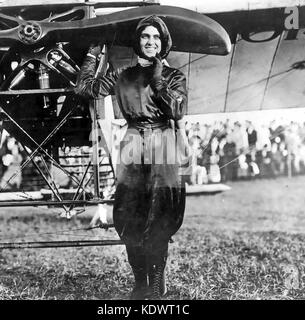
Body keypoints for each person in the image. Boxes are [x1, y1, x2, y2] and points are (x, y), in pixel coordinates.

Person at [75, 15, 188, 299]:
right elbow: (84, 88)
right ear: (137, 42)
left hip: (163, 145)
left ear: (163, 43)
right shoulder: (122, 75)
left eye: (156, 38)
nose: (150, 42)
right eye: (145, 37)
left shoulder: (175, 76)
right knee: (130, 215)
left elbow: (176, 111)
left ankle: (157, 279)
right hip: (133, 143)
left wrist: (159, 77)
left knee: (160, 215)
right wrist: (92, 52)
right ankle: (140, 281)